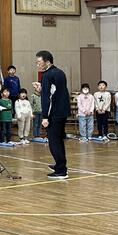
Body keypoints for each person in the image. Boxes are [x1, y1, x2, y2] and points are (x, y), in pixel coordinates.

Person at [36, 50, 70, 179]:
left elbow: (47, 98)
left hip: (54, 113)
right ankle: (60, 165)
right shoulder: (60, 72)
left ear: (47, 62)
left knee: (54, 142)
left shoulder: (47, 75)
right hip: (62, 111)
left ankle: (61, 170)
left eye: (39, 62)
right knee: (59, 140)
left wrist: (45, 116)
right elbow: (55, 92)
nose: (37, 65)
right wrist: (41, 89)